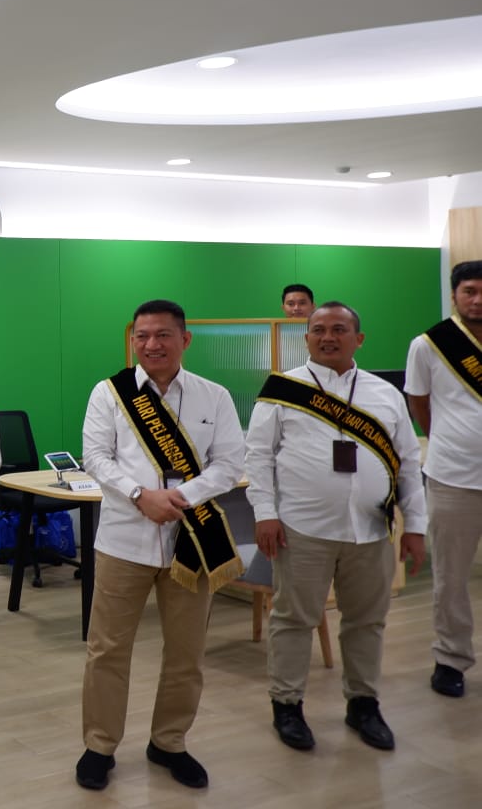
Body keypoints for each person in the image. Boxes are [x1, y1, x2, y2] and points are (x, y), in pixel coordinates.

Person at [75, 299, 245, 792]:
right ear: (133, 340)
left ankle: (169, 742)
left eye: (163, 335)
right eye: (142, 336)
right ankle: (99, 745)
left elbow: (229, 463)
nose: (152, 344)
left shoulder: (214, 396)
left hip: (191, 541)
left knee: (186, 652)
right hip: (123, 541)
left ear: (184, 339)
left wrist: (181, 497)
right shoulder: (110, 393)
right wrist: (139, 495)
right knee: (107, 650)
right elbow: (95, 456)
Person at [247, 301, 426, 752]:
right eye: (319, 329)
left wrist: (416, 525)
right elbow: (258, 457)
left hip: (372, 529)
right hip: (301, 529)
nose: (328, 337)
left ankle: (363, 704)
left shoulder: (385, 394)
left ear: (358, 339)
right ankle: (287, 705)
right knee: (293, 619)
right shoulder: (282, 389)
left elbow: (407, 462)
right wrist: (265, 513)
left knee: (367, 620)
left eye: (340, 329)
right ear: (306, 337)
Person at [405, 260, 482, 698]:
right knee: (451, 578)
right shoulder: (429, 345)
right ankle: (451, 659)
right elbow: (419, 402)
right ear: (454, 295)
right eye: (469, 291)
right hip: (454, 478)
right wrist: (452, 439)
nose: (477, 300)